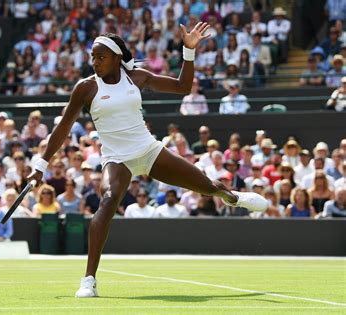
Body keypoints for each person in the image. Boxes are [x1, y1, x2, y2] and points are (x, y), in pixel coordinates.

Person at [26, 26, 267, 298]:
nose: (95, 62)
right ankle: (89, 279)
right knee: (108, 199)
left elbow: (182, 87)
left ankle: (232, 197)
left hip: (149, 150)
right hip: (117, 158)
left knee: (207, 186)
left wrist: (188, 50)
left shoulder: (137, 78)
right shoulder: (86, 87)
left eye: (101, 57)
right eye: (92, 57)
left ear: (117, 58)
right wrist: (40, 166)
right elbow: (62, 129)